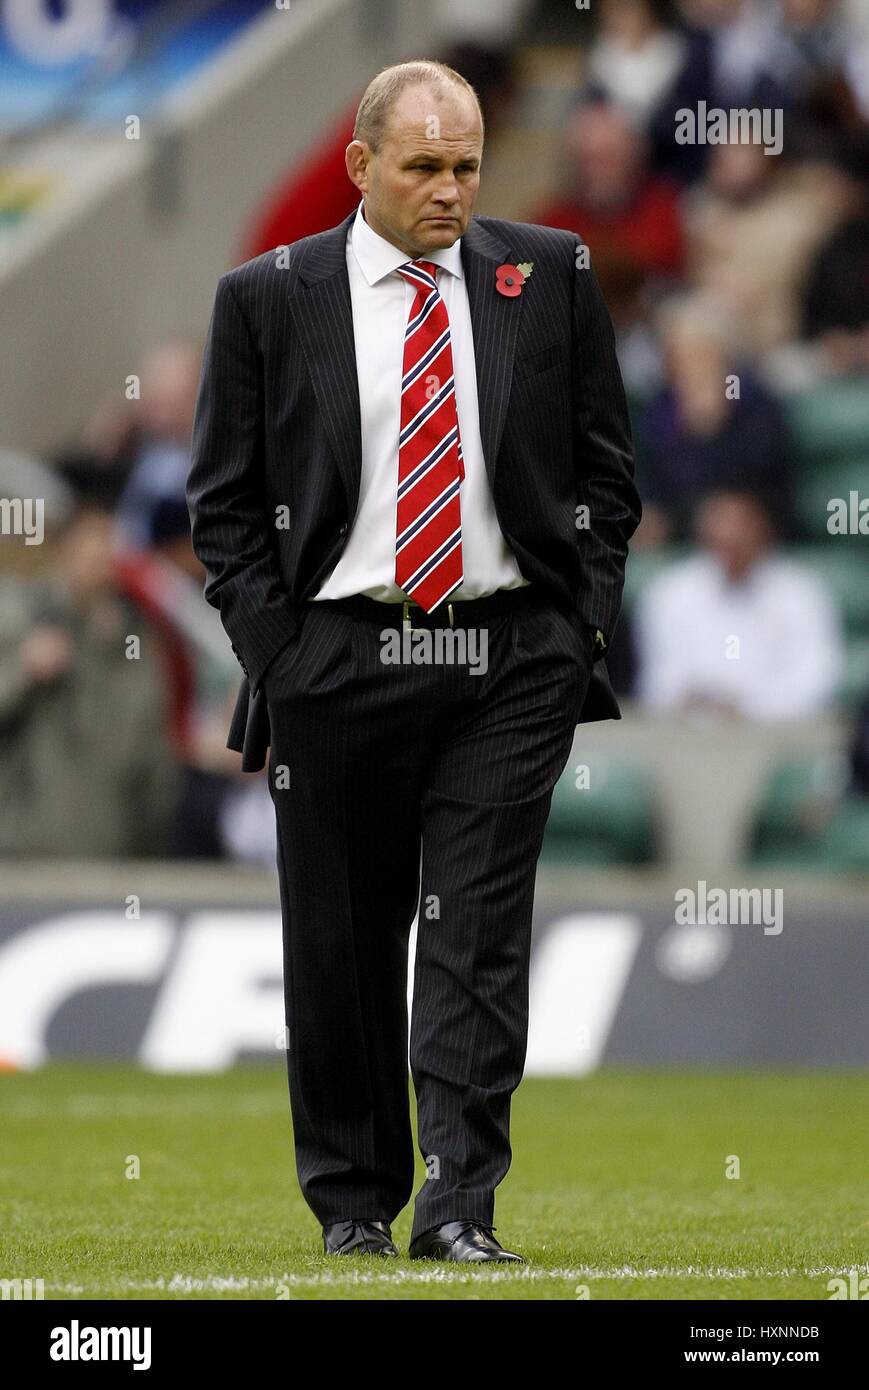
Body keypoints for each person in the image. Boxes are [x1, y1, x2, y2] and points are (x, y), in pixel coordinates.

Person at [187, 60, 640, 1264]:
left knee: (474, 932)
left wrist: (575, 628)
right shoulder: (266, 298)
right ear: (360, 165)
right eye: (423, 166)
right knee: (338, 939)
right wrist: (277, 653)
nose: (449, 189)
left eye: (466, 166)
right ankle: (349, 1202)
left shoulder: (546, 274)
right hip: (335, 653)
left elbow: (607, 474)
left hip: (508, 653)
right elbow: (224, 506)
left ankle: (456, 1204)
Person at [635, 489, 843, 719]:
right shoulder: (669, 593)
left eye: (741, 526)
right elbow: (660, 682)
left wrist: (749, 707)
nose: (730, 536)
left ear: (764, 530)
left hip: (778, 733)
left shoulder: (802, 594)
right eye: (720, 524)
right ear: (703, 532)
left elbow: (816, 682)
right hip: (690, 734)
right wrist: (701, 703)